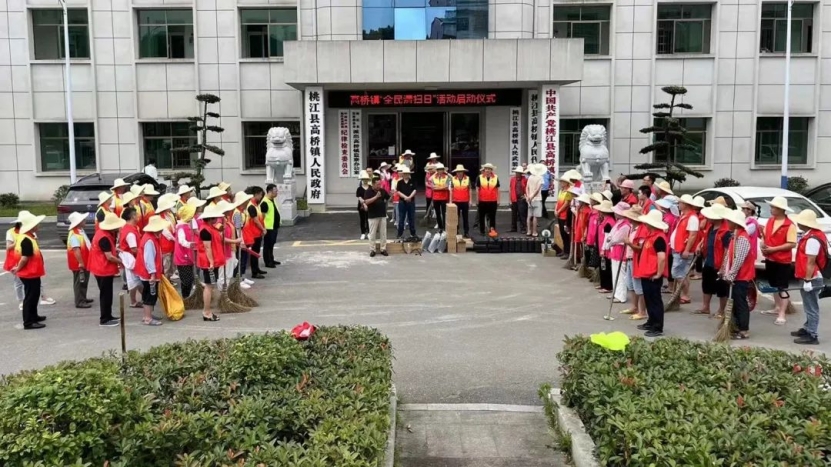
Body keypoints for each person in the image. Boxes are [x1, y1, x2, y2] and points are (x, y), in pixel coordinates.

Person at [789, 209, 827, 345]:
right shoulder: (815, 235)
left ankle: (812, 334)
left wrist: (807, 280)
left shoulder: (811, 239)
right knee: (809, 305)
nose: (798, 223)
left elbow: (811, 262)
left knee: (811, 307)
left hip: (812, 277)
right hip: (812, 275)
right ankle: (807, 328)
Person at [760, 196, 797, 325]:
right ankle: (777, 307)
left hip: (783, 260)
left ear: (781, 209)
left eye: (773, 207)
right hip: (770, 258)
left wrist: (773, 249)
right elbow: (764, 236)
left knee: (782, 287)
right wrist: (762, 244)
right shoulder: (770, 221)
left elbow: (792, 244)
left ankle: (782, 313)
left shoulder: (789, 225)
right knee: (774, 285)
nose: (771, 209)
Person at [632, 210, 669, 337]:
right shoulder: (651, 236)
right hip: (647, 273)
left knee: (654, 300)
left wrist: (659, 273)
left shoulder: (659, 238)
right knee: (649, 299)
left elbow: (662, 257)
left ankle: (657, 326)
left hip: (653, 274)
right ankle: (651, 321)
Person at [720, 209, 755, 340]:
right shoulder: (735, 236)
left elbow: (739, 259)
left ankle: (744, 330)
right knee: (734, 302)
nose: (727, 223)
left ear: (735, 223)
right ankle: (736, 326)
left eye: (729, 221)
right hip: (735, 276)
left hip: (741, 277)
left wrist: (731, 275)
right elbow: (729, 256)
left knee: (740, 303)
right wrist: (724, 270)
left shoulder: (742, 238)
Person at [88, 212, 125, 327]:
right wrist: (122, 262)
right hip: (103, 269)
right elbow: (109, 257)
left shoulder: (101, 233)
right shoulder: (104, 237)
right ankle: (104, 319)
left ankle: (108, 315)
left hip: (99, 268)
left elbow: (108, 250)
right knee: (106, 295)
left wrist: (116, 250)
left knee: (107, 294)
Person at [12, 211, 47, 330]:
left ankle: (34, 316)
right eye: (36, 224)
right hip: (29, 273)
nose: (38, 226)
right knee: (30, 296)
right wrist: (18, 268)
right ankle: (28, 322)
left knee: (34, 294)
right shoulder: (26, 239)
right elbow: (24, 258)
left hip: (33, 272)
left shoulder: (28, 237)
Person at [695, 204, 732, 318]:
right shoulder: (710, 227)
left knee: (722, 288)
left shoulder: (726, 231)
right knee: (706, 285)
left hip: (719, 263)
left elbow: (727, 250)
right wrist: (700, 246)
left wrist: (723, 266)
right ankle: (705, 307)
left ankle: (721, 310)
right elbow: (705, 239)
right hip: (709, 261)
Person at [669, 194, 704, 305]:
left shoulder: (692, 218)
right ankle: (684, 294)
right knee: (682, 273)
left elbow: (693, 235)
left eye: (680, 203)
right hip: (679, 248)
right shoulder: (685, 215)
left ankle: (685, 293)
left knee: (677, 273)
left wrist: (687, 249)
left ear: (685, 204)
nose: (678, 204)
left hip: (682, 250)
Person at [134, 215, 168, 326]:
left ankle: (147, 315)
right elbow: (149, 259)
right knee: (150, 296)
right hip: (149, 274)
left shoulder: (149, 237)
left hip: (146, 273)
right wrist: (152, 274)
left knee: (147, 295)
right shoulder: (150, 240)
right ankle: (148, 318)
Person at [196, 205, 226, 322]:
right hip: (209, 262)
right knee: (209, 286)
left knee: (210, 286)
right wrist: (211, 262)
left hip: (213, 260)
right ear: (210, 218)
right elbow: (207, 247)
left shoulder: (210, 227)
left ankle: (207, 311)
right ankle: (206, 311)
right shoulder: (205, 230)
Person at [622, 206, 647, 319]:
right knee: (630, 284)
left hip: (636, 260)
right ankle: (634, 307)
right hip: (629, 258)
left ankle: (642, 311)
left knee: (638, 286)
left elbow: (640, 248)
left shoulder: (642, 230)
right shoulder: (632, 228)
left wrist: (629, 243)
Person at [605, 202, 632, 304]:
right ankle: (616, 293)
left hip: (621, 250)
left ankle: (621, 296)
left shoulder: (626, 225)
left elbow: (616, 238)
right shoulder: (619, 223)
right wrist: (610, 240)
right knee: (615, 272)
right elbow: (611, 235)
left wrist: (610, 241)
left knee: (621, 274)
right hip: (615, 249)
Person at [118, 207, 144, 308]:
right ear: (133, 216)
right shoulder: (130, 232)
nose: (138, 216)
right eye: (136, 214)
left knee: (135, 280)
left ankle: (136, 300)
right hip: (133, 259)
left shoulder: (126, 228)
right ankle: (137, 301)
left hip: (129, 258)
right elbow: (133, 249)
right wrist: (143, 254)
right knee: (135, 280)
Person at [231, 191, 255, 289]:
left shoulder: (242, 212)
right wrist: (241, 242)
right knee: (240, 260)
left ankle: (243, 277)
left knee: (244, 259)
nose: (248, 202)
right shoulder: (237, 214)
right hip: (240, 240)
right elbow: (238, 229)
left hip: (244, 238)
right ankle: (239, 279)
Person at [362, 177, 390, 257]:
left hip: (382, 215)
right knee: (372, 233)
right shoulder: (368, 192)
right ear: (373, 184)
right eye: (377, 184)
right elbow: (366, 202)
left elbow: (388, 198)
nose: (379, 186)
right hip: (373, 215)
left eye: (380, 184)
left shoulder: (382, 191)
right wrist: (376, 197)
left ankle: (383, 249)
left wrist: (391, 195)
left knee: (383, 233)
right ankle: (372, 249)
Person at [243, 186, 267, 278]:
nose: (261, 196)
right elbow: (256, 220)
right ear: (256, 194)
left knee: (256, 251)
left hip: (257, 232)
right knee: (254, 253)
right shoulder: (251, 206)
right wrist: (263, 229)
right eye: (260, 194)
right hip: (254, 233)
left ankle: (257, 268)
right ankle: (254, 272)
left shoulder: (255, 204)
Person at [174, 204, 197, 299]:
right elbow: (181, 240)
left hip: (187, 255)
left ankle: (186, 297)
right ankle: (185, 297)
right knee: (186, 280)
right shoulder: (181, 227)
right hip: (183, 257)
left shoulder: (185, 226)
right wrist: (189, 244)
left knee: (189, 278)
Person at [155, 196, 178, 280]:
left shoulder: (169, 215)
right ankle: (165, 281)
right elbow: (166, 233)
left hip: (171, 243)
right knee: (166, 265)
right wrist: (175, 239)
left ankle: (169, 280)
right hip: (165, 244)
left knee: (171, 264)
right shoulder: (160, 218)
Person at [595, 200, 616, 293]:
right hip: (602, 247)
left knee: (606, 267)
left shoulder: (609, 222)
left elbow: (607, 238)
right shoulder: (605, 220)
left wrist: (604, 249)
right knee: (602, 267)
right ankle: (603, 284)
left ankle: (607, 286)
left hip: (606, 249)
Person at [474, 163, 500, 236]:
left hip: (493, 200)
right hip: (482, 200)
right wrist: (477, 200)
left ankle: (492, 230)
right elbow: (477, 189)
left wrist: (498, 200)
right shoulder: (480, 177)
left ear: (491, 170)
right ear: (484, 170)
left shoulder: (495, 177)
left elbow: (498, 189)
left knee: (492, 217)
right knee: (481, 216)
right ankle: (482, 231)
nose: (487, 170)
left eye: (489, 169)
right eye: (486, 169)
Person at [261, 183, 281, 267]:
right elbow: (262, 216)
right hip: (268, 228)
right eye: (275, 191)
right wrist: (263, 228)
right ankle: (268, 262)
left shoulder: (272, 200)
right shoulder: (265, 202)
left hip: (274, 226)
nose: (277, 193)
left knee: (272, 244)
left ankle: (271, 259)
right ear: (269, 191)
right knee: (267, 245)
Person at [554, 175, 573, 257]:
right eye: (561, 181)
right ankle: (564, 250)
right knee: (562, 233)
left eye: (562, 182)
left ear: (566, 183)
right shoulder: (561, 191)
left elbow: (566, 203)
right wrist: (555, 210)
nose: (561, 183)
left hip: (565, 215)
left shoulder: (569, 191)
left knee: (566, 234)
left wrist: (558, 211)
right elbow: (558, 202)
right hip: (559, 214)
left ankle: (567, 252)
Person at [396, 167, 417, 239]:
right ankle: (400, 234)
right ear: (403, 174)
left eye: (407, 173)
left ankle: (413, 233)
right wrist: (405, 197)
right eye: (405, 174)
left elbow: (414, 190)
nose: (406, 175)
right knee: (401, 218)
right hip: (402, 202)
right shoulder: (399, 182)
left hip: (411, 202)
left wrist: (410, 197)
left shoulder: (412, 181)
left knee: (411, 218)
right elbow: (398, 191)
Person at [450, 164, 471, 238]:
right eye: (458, 172)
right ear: (456, 172)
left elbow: (470, 190)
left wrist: (470, 201)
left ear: (463, 172)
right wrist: (450, 201)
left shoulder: (467, 178)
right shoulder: (453, 179)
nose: (459, 173)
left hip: (465, 201)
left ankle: (466, 232)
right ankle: (456, 231)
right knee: (456, 218)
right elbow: (451, 190)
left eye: (461, 171)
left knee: (465, 218)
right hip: (456, 201)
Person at [526, 164, 546, 237]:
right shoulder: (540, 177)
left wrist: (528, 196)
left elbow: (527, 187)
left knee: (529, 216)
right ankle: (534, 232)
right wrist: (532, 197)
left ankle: (528, 231)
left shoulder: (530, 177)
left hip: (529, 199)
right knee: (535, 216)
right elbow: (537, 190)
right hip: (537, 198)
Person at [431, 163, 450, 231]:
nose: (440, 171)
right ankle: (440, 227)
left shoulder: (447, 177)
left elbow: (447, 187)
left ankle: (445, 227)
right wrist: (442, 187)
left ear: (443, 170)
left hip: (444, 198)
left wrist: (437, 187)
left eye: (441, 169)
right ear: (437, 170)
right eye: (438, 169)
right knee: (437, 213)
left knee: (444, 213)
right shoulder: (433, 177)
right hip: (436, 198)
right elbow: (433, 187)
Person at [509, 166, 527, 233]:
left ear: (521, 173)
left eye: (518, 173)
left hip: (521, 198)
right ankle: (513, 228)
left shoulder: (524, 179)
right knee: (514, 214)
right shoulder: (512, 179)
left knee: (522, 214)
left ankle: (523, 228)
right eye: (516, 172)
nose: (517, 174)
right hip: (514, 198)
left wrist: (525, 196)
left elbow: (527, 188)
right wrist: (510, 199)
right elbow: (511, 189)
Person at [356, 174, 371, 239]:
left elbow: (372, 196)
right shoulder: (359, 188)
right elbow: (359, 197)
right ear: (362, 180)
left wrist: (367, 204)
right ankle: (363, 233)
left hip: (370, 205)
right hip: (361, 206)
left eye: (366, 179)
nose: (365, 180)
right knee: (362, 219)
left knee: (369, 219)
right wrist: (364, 204)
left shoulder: (370, 187)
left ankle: (369, 233)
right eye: (364, 179)